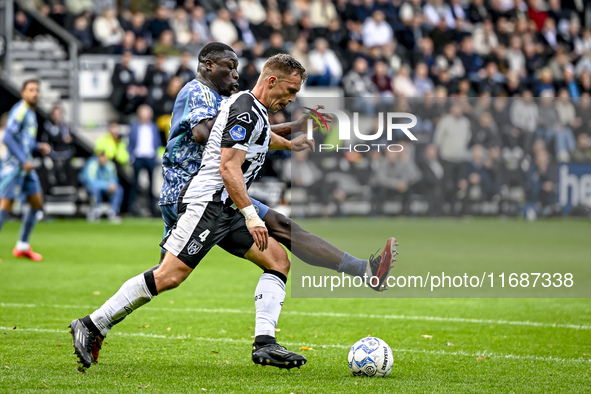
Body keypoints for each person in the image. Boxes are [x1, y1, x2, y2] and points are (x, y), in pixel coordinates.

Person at [69, 44, 397, 368]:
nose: (292, 99)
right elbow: (224, 157)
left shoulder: (244, 106)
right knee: (169, 275)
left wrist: (289, 139)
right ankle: (92, 323)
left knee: (278, 257)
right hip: (205, 198)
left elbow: (251, 135)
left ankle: (267, 342)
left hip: (224, 200)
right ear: (271, 81)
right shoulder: (220, 98)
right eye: (291, 90)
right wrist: (252, 214)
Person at [0, 80, 51, 261]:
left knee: (36, 202)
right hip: (15, 167)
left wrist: (38, 146)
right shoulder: (20, 110)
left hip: (26, 167)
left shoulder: (31, 112)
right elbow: (7, 137)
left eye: (37, 90)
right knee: (5, 206)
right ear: (23, 93)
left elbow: (23, 140)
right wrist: (22, 160)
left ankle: (22, 246)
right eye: (31, 90)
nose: (35, 93)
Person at [127, 105, 162, 216]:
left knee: (152, 185)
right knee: (135, 185)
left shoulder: (153, 127)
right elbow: (130, 143)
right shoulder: (134, 126)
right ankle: (132, 209)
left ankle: (152, 209)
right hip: (138, 157)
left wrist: (156, 156)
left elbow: (157, 142)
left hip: (150, 157)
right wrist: (131, 157)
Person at [79, 151, 123, 222]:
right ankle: (96, 211)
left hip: (105, 188)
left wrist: (112, 185)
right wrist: (106, 185)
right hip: (91, 187)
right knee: (94, 189)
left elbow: (114, 179)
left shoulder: (110, 165)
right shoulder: (92, 164)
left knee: (119, 189)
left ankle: (113, 212)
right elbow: (91, 181)